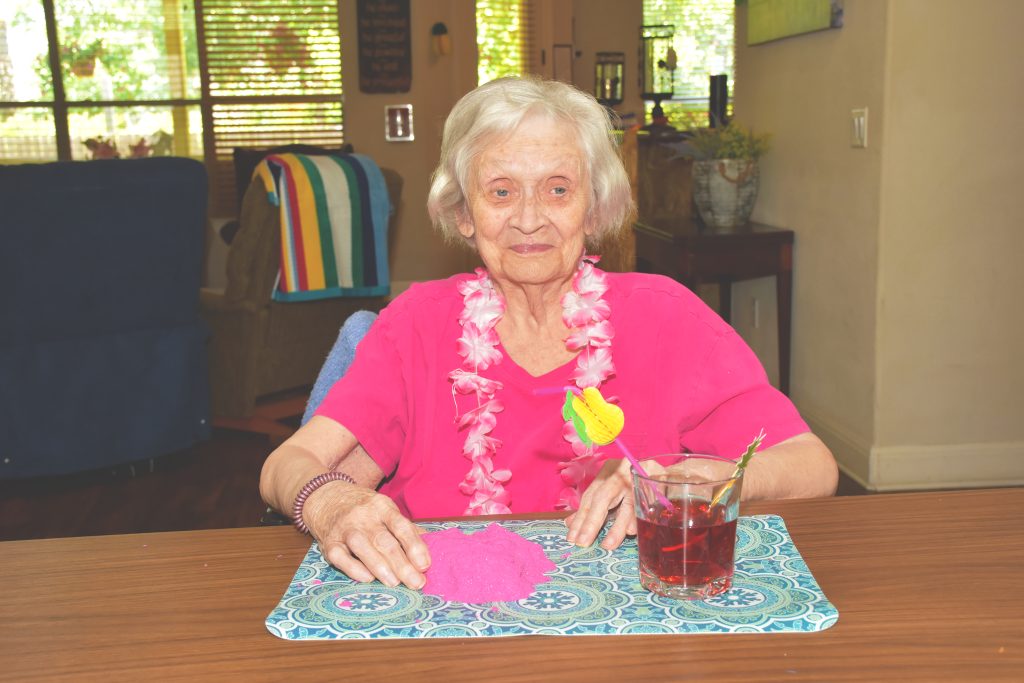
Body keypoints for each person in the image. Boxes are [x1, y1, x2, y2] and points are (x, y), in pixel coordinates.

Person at [259, 76, 838, 591]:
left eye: (558, 188)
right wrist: (332, 501)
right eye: (501, 191)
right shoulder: (416, 325)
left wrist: (704, 479)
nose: (529, 217)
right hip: (443, 618)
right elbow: (289, 463)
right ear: (465, 215)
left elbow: (812, 466)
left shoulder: (667, 317)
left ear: (593, 210)